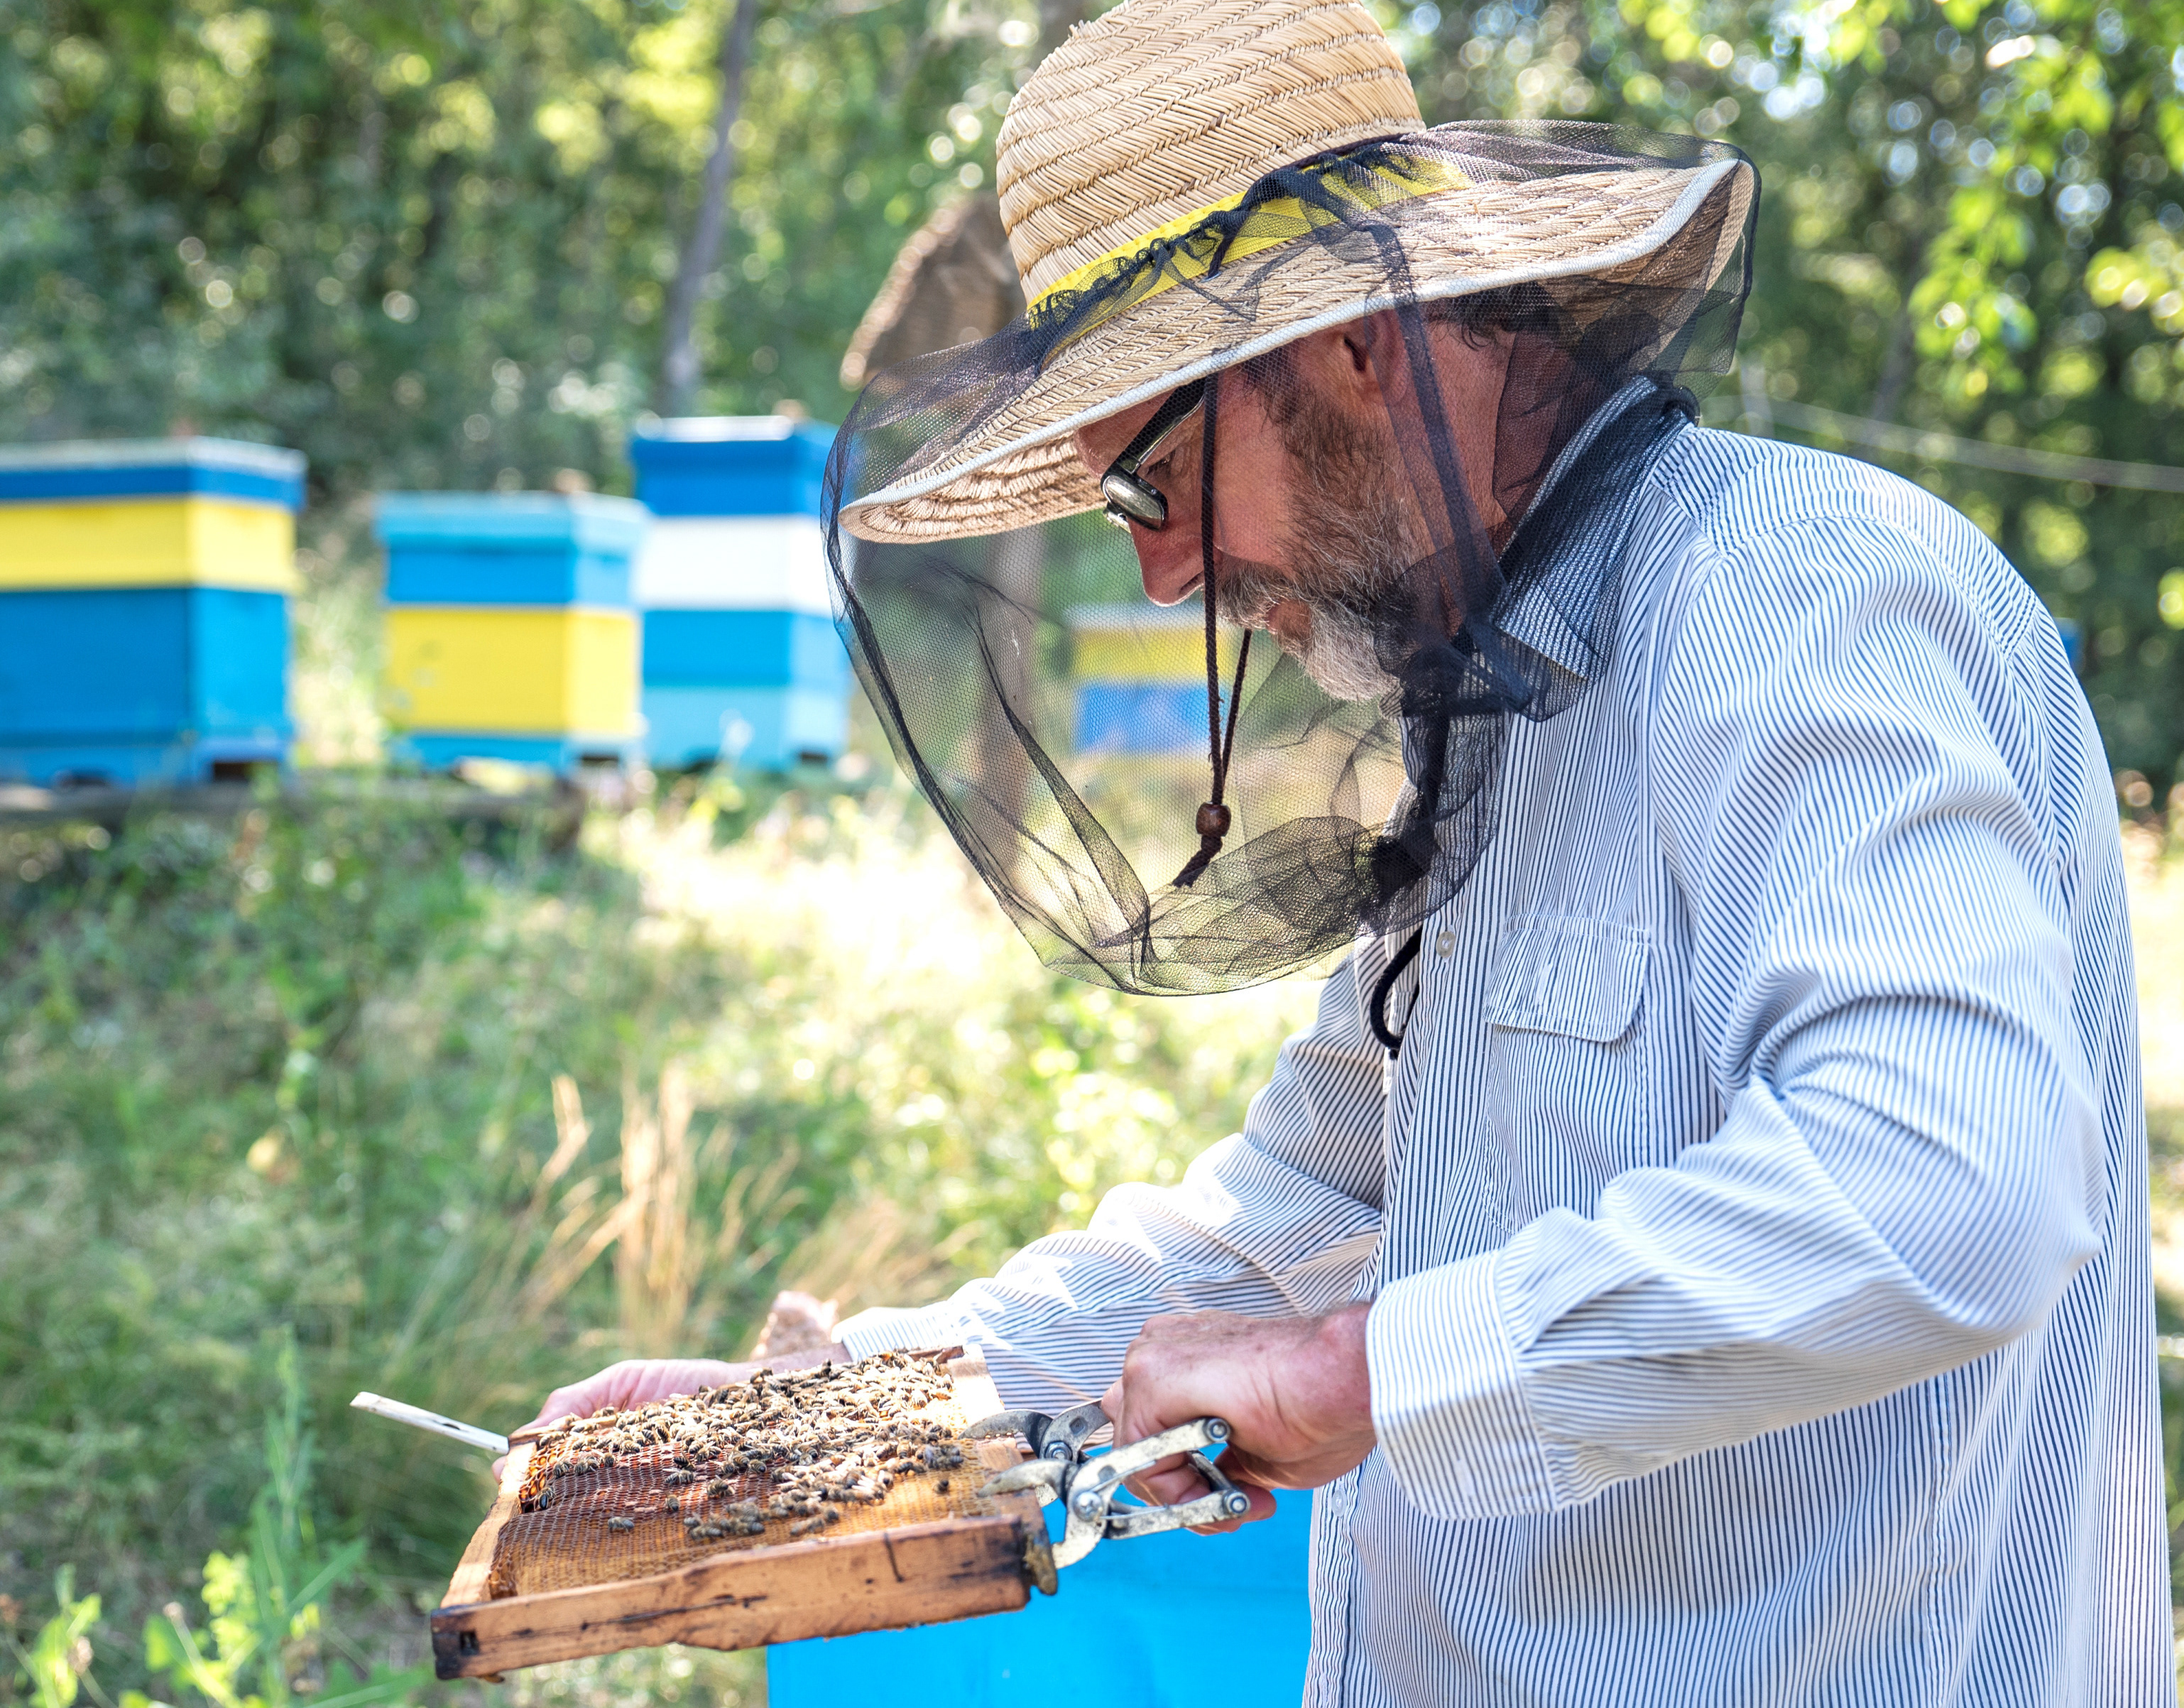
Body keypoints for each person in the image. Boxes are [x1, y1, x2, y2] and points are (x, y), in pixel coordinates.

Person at [523, 0, 2169, 1699]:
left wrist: (1361, 1369)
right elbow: (1303, 1210)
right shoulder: (1500, 708)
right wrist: (819, 1408)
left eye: (1150, 486)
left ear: (1351, 350)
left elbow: (1945, 1178)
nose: (1163, 579)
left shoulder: (1795, 592)